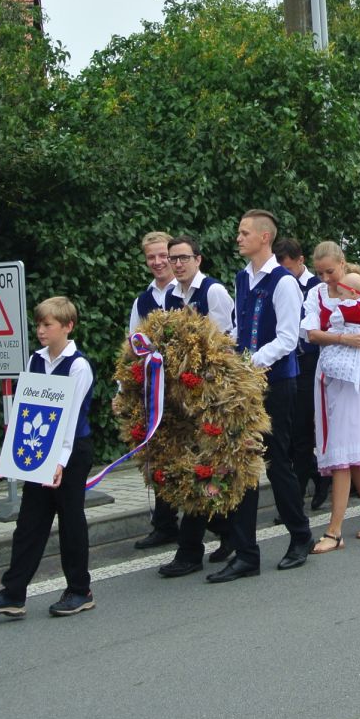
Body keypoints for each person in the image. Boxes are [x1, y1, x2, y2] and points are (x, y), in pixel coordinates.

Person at [0, 297, 96, 618]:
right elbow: (24, 410)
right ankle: (13, 593)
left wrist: (60, 462)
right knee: (29, 522)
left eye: (47, 325)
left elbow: (70, 418)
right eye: (39, 324)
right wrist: (9, 453)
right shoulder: (35, 360)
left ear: (67, 326)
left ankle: (79, 590)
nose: (40, 330)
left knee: (70, 520)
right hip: (40, 447)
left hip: (71, 451)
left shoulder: (78, 366)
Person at [204, 210, 311, 583]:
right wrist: (220, 347)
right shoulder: (242, 277)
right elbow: (242, 327)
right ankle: (246, 552)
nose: (238, 237)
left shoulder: (284, 282)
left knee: (277, 461)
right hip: (246, 383)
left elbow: (287, 338)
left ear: (265, 237)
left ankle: (300, 535)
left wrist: (249, 363)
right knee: (243, 462)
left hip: (276, 383)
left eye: (244, 232)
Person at [153, 237, 246, 578]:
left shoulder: (213, 291)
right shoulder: (170, 296)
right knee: (193, 466)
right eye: (173, 258)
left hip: (212, 392)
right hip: (183, 393)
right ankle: (228, 530)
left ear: (198, 259)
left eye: (183, 258)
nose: (177, 264)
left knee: (202, 466)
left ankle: (190, 551)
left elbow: (225, 342)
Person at [302, 247, 360, 554]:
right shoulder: (316, 295)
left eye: (330, 271)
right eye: (320, 273)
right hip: (332, 376)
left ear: (342, 264)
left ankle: (334, 530)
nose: (326, 278)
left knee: (343, 450)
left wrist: (358, 340)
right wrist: (343, 338)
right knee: (349, 450)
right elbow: (310, 333)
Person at [129, 231, 181, 551]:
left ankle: (213, 521)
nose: (158, 262)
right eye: (152, 257)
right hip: (155, 389)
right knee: (159, 454)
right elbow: (132, 344)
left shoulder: (187, 291)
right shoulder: (143, 300)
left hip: (185, 386)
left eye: (164, 256)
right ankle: (165, 523)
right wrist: (126, 389)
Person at [275, 237, 328, 510]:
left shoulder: (315, 287)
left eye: (288, 267)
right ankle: (318, 475)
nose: (284, 273)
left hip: (308, 362)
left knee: (303, 429)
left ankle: (295, 501)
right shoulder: (277, 284)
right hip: (286, 363)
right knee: (289, 432)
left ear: (300, 261)